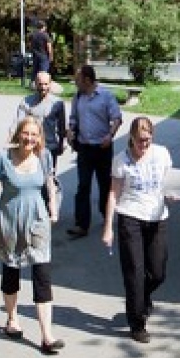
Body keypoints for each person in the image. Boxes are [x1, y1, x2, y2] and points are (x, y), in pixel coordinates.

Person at [0, 116, 64, 355]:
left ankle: (47, 336)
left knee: (42, 276)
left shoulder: (44, 157)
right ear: (18, 134)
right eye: (25, 134)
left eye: (34, 135)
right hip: (9, 224)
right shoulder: (2, 159)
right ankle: (12, 319)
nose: (29, 139)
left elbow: (48, 182)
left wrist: (53, 209)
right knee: (11, 273)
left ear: (39, 138)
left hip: (38, 223)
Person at [102, 116, 173, 344]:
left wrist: (173, 194)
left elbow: (169, 183)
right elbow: (113, 194)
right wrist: (108, 228)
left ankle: (141, 297)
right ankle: (137, 323)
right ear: (131, 138)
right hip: (130, 216)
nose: (144, 144)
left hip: (157, 217)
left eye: (148, 139)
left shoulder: (161, 154)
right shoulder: (121, 160)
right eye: (140, 140)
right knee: (134, 272)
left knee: (158, 272)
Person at [65, 65, 121, 239]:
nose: (75, 84)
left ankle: (107, 215)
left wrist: (110, 135)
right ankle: (82, 224)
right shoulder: (77, 97)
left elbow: (117, 118)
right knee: (83, 186)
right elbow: (73, 118)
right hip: (84, 148)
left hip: (102, 148)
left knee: (105, 185)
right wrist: (70, 131)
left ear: (87, 80)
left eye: (78, 80)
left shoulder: (105, 95)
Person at [23, 71, 68, 167]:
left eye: (45, 84)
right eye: (40, 84)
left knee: (49, 178)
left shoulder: (58, 103)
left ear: (50, 84)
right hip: (31, 146)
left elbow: (62, 126)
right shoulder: (26, 102)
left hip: (50, 147)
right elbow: (18, 124)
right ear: (35, 84)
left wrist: (62, 143)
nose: (43, 87)